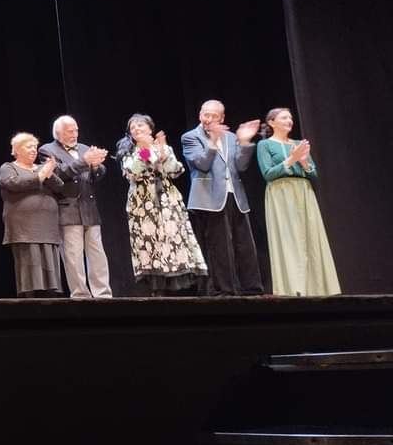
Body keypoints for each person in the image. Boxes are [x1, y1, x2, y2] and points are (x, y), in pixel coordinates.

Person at [117, 114, 208, 296]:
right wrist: (144, 151)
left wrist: (164, 155)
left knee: (171, 238)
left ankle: (177, 285)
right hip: (142, 203)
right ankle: (155, 288)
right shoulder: (128, 151)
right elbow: (131, 173)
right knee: (149, 242)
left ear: (150, 129)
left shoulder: (164, 147)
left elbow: (175, 171)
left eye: (140, 125)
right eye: (133, 127)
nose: (136, 129)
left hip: (167, 200)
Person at [180, 100, 264, 296]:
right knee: (220, 247)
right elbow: (201, 163)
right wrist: (212, 142)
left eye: (214, 116)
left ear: (222, 118)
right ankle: (224, 290)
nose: (208, 119)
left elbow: (241, 166)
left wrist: (243, 142)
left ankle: (252, 288)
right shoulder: (191, 137)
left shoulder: (230, 137)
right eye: (205, 115)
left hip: (235, 194)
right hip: (209, 199)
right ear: (200, 114)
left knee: (245, 245)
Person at [256, 108, 340, 297]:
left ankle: (318, 287)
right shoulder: (265, 145)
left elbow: (314, 174)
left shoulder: (298, 144)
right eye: (284, 117)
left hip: (303, 192)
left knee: (309, 237)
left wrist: (302, 162)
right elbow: (268, 174)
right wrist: (291, 159)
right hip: (281, 193)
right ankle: (294, 288)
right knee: (289, 239)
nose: (289, 120)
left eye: (291, 118)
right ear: (271, 122)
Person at [39, 116, 113, 299]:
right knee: (73, 257)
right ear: (58, 133)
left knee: (97, 254)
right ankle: (80, 295)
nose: (74, 134)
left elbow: (97, 176)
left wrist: (97, 166)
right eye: (70, 131)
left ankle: (103, 294)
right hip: (68, 210)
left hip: (89, 209)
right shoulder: (47, 150)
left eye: (76, 130)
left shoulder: (84, 148)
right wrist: (84, 162)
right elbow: (58, 174)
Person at [0, 133, 65, 298]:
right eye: (29, 147)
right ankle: (29, 301)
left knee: (50, 265)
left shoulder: (41, 168)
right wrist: (40, 176)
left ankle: (52, 299)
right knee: (30, 266)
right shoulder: (9, 167)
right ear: (17, 150)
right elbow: (12, 183)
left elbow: (60, 186)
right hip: (24, 227)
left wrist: (47, 174)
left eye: (35, 147)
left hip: (47, 226)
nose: (33, 150)